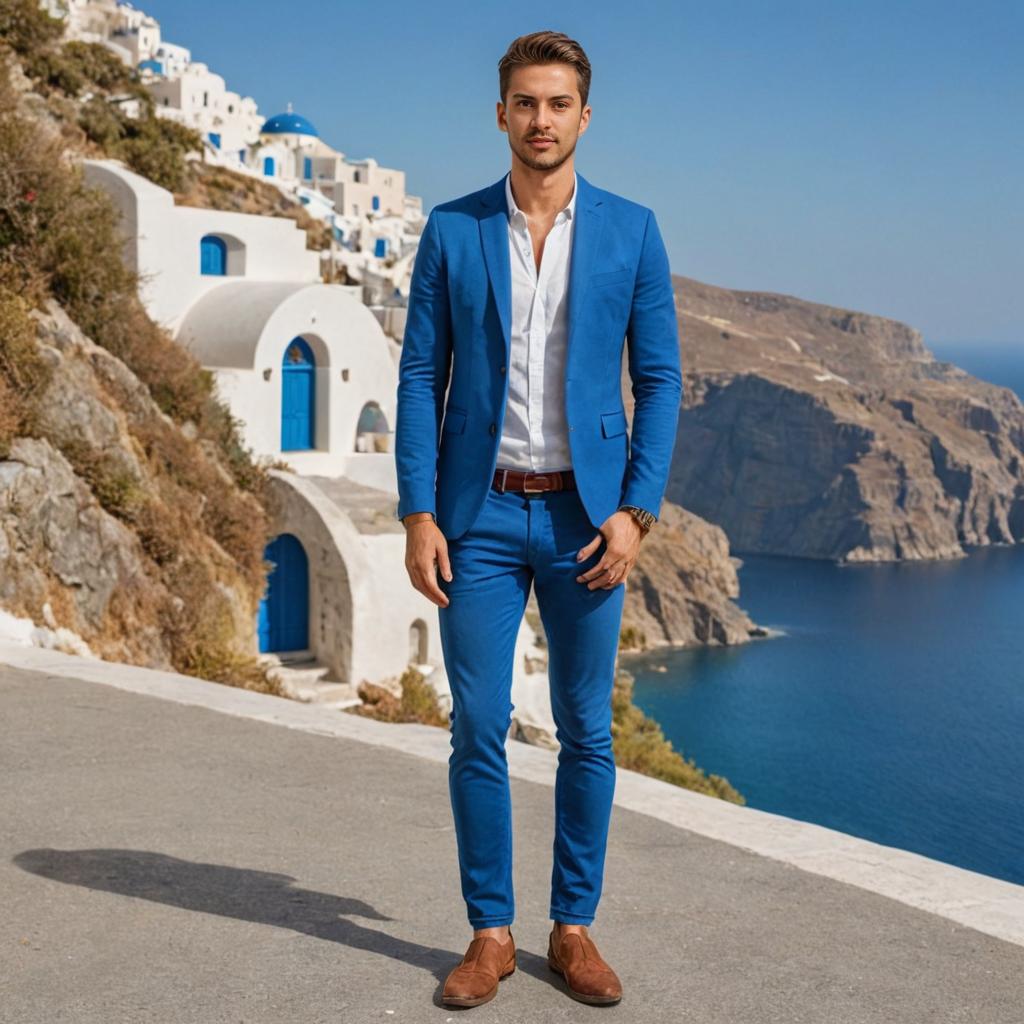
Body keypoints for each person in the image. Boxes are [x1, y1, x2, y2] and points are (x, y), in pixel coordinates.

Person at [395, 28, 682, 1009]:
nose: (541, 119)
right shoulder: (452, 228)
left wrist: (637, 511)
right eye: (525, 102)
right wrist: (418, 509)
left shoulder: (632, 230)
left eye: (558, 103)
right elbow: (420, 372)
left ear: (583, 116)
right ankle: (488, 933)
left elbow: (659, 377)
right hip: (474, 517)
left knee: (584, 729)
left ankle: (571, 928)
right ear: (500, 113)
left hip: (584, 520)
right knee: (476, 722)